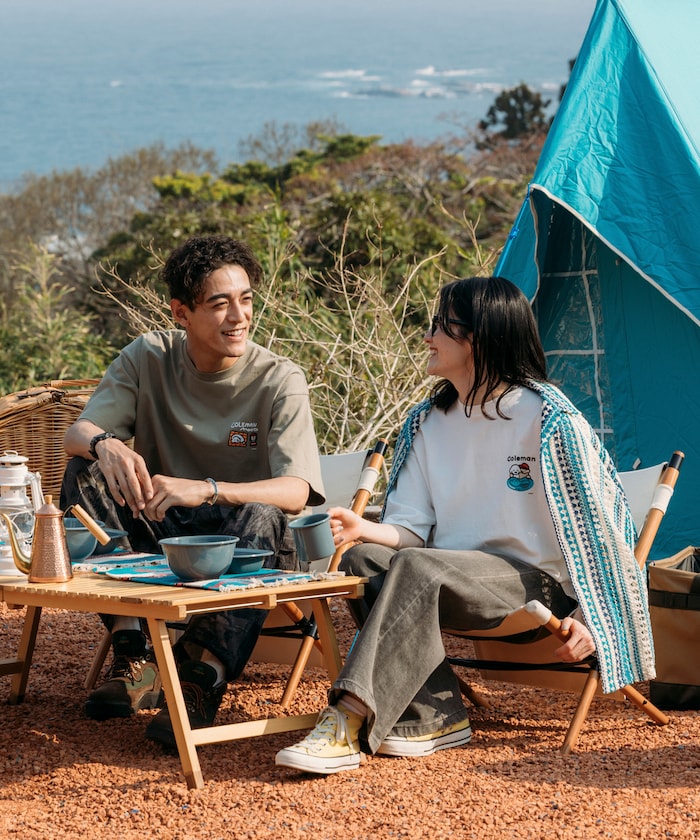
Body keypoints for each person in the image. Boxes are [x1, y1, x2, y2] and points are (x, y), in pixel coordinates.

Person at [275, 275, 655, 774]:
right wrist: (362, 528)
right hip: (443, 576)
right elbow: (411, 530)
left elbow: (602, 530)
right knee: (365, 559)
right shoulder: (428, 421)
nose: (427, 337)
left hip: (535, 587)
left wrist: (590, 617)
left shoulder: (548, 420)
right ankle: (432, 717)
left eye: (440, 326)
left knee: (419, 567)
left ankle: (347, 716)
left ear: (476, 337)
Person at [61, 234, 324, 746]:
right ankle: (134, 655)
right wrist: (106, 444)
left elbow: (297, 491)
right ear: (181, 312)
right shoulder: (148, 356)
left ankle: (200, 676)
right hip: (159, 530)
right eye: (220, 304)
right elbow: (77, 433)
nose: (239, 317)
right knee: (83, 471)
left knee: (262, 511)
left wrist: (206, 489)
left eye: (245, 299)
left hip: (246, 544)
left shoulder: (279, 379)